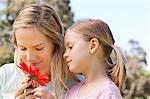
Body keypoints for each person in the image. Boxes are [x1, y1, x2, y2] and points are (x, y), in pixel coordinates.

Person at [0, 3, 79, 99]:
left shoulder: (79, 86)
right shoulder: (5, 75)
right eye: (23, 48)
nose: (30, 58)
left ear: (56, 45)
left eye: (39, 48)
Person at [63, 19, 127, 99]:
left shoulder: (108, 92)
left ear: (93, 45)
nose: (64, 55)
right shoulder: (72, 90)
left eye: (70, 47)